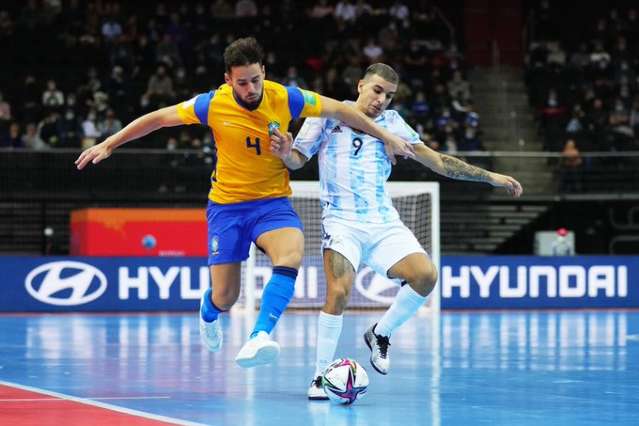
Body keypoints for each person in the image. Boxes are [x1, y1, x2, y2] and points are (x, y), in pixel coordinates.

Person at [75, 38, 415, 368]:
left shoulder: (286, 98)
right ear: (228, 80)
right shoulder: (212, 104)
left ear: (264, 72)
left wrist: (386, 136)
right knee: (225, 298)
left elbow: (341, 109)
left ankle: (258, 336)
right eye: (242, 83)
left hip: (271, 203)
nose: (251, 88)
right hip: (228, 207)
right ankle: (208, 312)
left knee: (292, 252)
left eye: (256, 79)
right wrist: (110, 142)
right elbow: (159, 118)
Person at [268, 63, 523, 399]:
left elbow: (440, 161)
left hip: (383, 223)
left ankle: (381, 333)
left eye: (388, 95)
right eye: (376, 90)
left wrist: (490, 177)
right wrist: (287, 154)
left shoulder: (393, 124)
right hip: (342, 222)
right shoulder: (327, 115)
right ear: (360, 85)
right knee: (339, 292)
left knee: (426, 275)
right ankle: (319, 377)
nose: (381, 100)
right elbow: (299, 159)